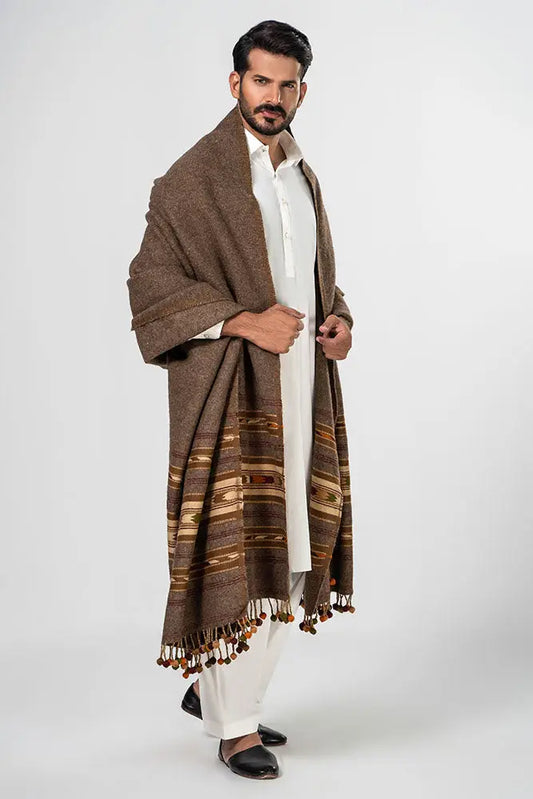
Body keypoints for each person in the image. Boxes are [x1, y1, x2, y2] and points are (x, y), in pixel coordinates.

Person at [127, 19, 355, 780]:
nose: (272, 97)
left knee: (295, 551)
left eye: (286, 85)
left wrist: (337, 320)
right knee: (246, 552)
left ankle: (216, 692)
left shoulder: (303, 175)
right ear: (235, 83)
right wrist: (240, 321)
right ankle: (234, 727)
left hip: (302, 390)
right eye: (260, 81)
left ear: (302, 92)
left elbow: (317, 276)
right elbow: (150, 284)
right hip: (234, 394)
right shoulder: (192, 179)